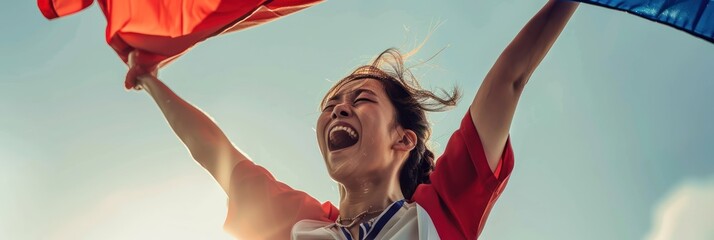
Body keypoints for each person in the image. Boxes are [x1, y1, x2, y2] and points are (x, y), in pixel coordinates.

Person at [129, 1, 579, 239]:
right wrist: (150, 81)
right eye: (331, 104)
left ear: (403, 140)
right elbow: (213, 152)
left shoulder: (440, 213)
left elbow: (509, 80)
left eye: (360, 99)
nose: (337, 109)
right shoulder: (298, 225)